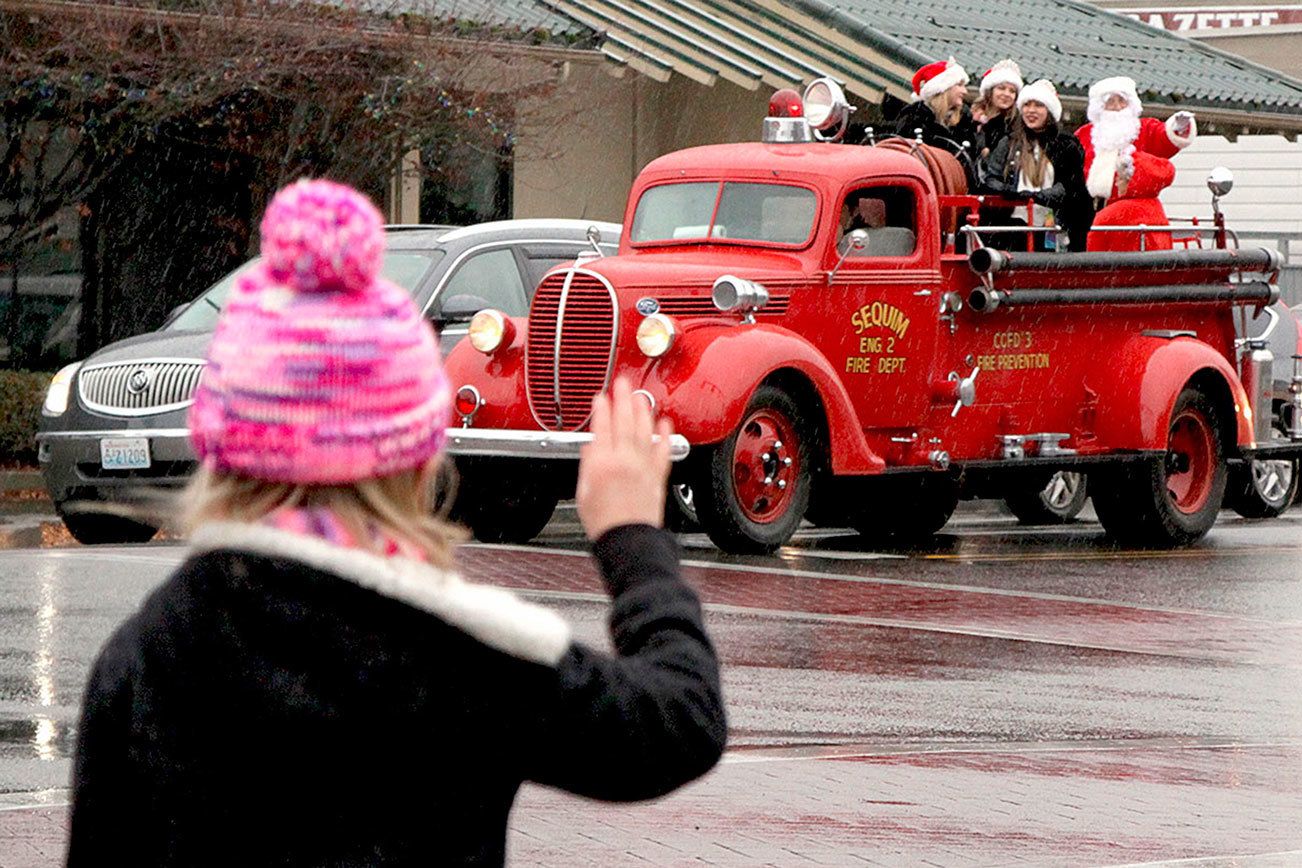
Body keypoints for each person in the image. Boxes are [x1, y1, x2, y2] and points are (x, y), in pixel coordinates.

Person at [65, 179, 727, 866]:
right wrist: (632, 538)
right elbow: (681, 721)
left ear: (225, 444)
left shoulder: (146, 653)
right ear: (415, 459)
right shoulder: (467, 652)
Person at [1074, 76, 1196, 252]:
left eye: (1121, 101)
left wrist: (1178, 127)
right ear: (1100, 107)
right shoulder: (1084, 135)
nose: (1117, 107)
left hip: (1133, 220)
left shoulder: (1144, 129)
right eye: (1110, 102)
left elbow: (1165, 137)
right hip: (1091, 212)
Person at [982, 79, 1092, 252]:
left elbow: (1071, 185)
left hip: (1052, 226)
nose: (1031, 110)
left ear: (1049, 110)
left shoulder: (1065, 144)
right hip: (1012, 227)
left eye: (1039, 105)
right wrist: (1010, 192)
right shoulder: (1009, 142)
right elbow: (991, 178)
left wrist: (1039, 197)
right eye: (1027, 105)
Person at [894, 57, 980, 174]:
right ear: (943, 90)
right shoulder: (914, 119)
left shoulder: (964, 123)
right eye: (959, 85)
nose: (965, 91)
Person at [972, 59, 1023, 160]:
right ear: (990, 91)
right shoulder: (971, 117)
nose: (1007, 94)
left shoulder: (1013, 126)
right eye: (1001, 88)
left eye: (1012, 91)